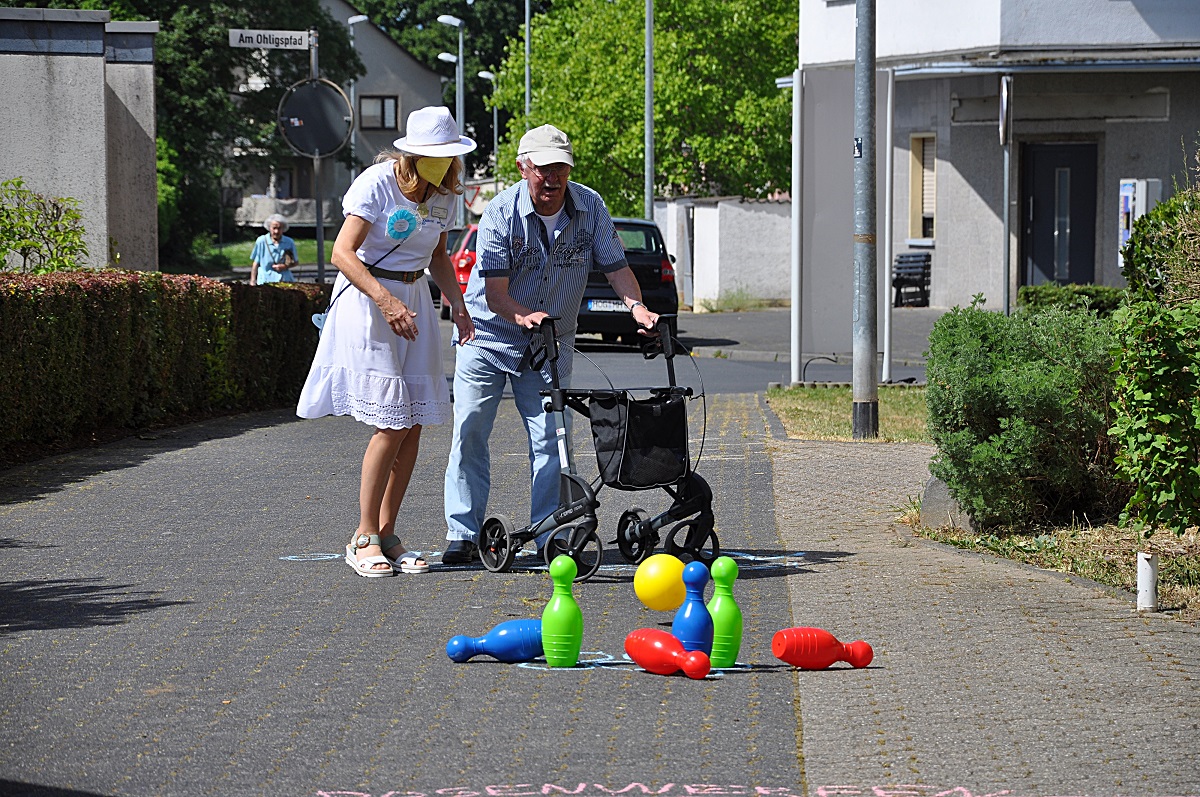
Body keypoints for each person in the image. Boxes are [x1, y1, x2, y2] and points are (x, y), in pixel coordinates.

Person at [441, 124, 660, 565]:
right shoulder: (500, 214)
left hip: (549, 345)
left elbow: (616, 267)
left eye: (560, 167)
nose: (553, 178)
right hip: (488, 337)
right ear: (524, 168)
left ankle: (550, 534)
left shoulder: (590, 206)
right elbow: (497, 293)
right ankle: (463, 532)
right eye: (543, 169)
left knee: (551, 441)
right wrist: (525, 316)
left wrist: (637, 308)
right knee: (470, 433)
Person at [297, 106, 476, 578]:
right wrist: (384, 300)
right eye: (433, 156)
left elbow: (437, 254)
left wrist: (457, 306)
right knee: (393, 420)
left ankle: (389, 532)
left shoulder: (444, 194)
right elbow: (342, 252)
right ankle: (363, 536)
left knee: (414, 421)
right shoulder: (375, 183)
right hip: (367, 299)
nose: (442, 164)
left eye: (448, 156)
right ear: (410, 154)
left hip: (413, 294)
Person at [250, 214, 299, 285]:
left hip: (284, 280)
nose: (276, 231)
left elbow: (295, 262)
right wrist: (252, 281)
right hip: (265, 280)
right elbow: (256, 262)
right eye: (274, 228)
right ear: (269, 228)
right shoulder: (261, 241)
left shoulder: (289, 242)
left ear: (283, 229)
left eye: (279, 228)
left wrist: (284, 266)